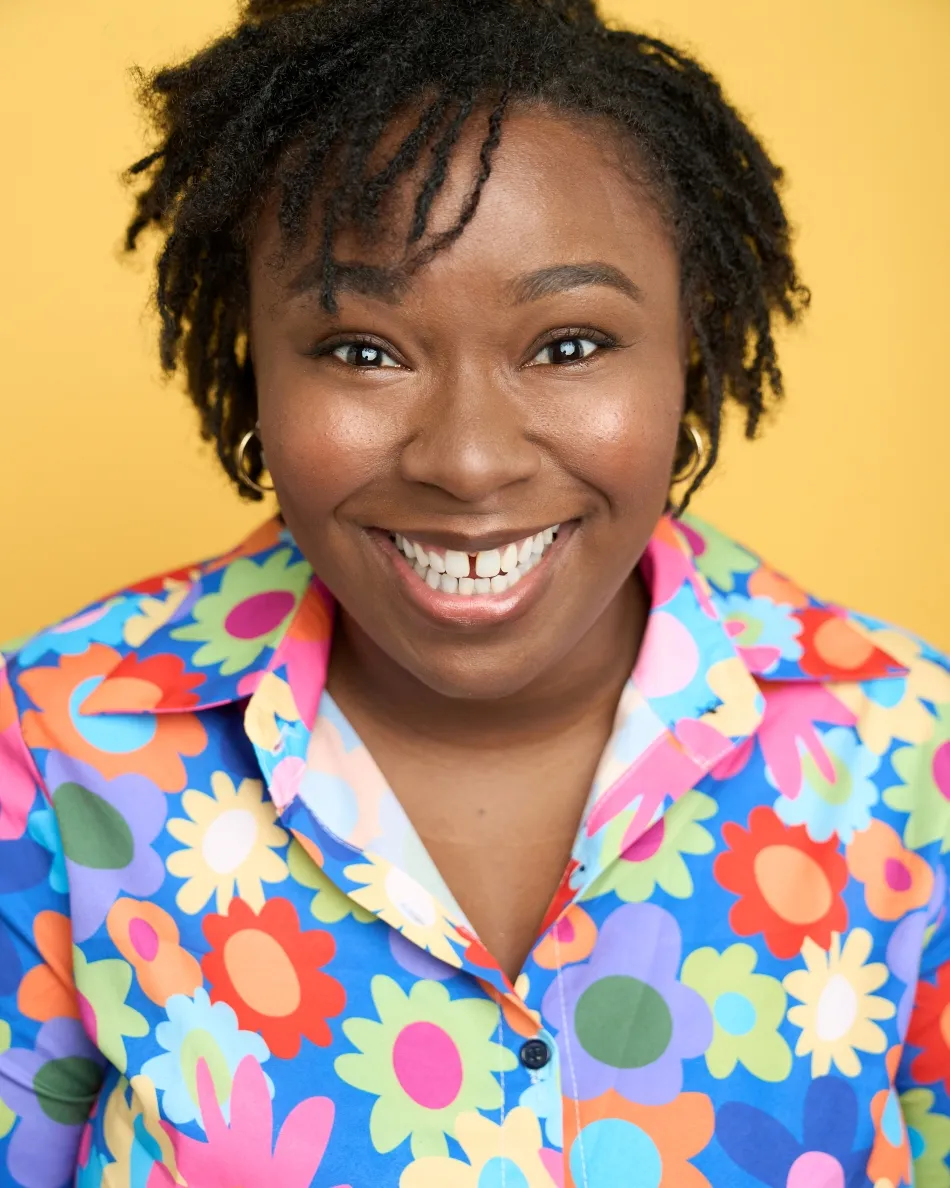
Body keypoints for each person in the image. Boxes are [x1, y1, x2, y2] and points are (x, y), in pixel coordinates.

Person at [1, 0, 947, 1184]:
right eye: (361, 350)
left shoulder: (905, 747)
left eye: (566, 345)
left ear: (689, 353)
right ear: (253, 366)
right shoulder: (58, 745)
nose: (466, 458)